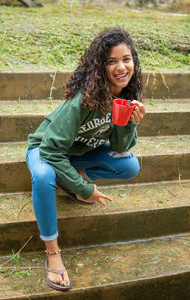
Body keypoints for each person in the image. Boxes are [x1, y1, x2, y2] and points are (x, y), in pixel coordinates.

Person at [26, 27, 146, 291]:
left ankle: (67, 180)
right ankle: (53, 254)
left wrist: (130, 125)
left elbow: (118, 146)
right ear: (99, 66)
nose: (121, 67)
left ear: (134, 62)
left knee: (129, 165)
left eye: (126, 59)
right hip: (45, 148)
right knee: (45, 174)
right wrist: (84, 188)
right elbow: (50, 150)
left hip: (78, 153)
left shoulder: (125, 97)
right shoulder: (83, 99)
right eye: (111, 61)